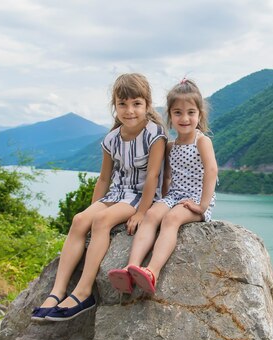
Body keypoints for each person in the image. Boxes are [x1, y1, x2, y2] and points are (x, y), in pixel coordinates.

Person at [31, 73, 167, 322]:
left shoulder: (154, 134)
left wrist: (140, 212)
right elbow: (104, 179)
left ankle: (83, 293)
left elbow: (153, 176)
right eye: (122, 104)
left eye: (136, 104)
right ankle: (57, 291)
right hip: (117, 193)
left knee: (102, 221)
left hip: (139, 196)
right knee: (80, 220)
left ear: (147, 105)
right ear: (114, 106)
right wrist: (93, 206)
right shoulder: (111, 139)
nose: (130, 111)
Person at [107, 78, 218, 294]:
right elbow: (166, 178)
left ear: (199, 115)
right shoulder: (170, 146)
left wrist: (203, 206)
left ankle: (152, 271)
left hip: (195, 198)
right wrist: (162, 203)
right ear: (170, 115)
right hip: (174, 196)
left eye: (191, 112)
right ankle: (131, 268)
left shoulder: (202, 141)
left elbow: (211, 171)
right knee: (151, 215)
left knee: (172, 219)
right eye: (177, 113)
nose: (184, 118)